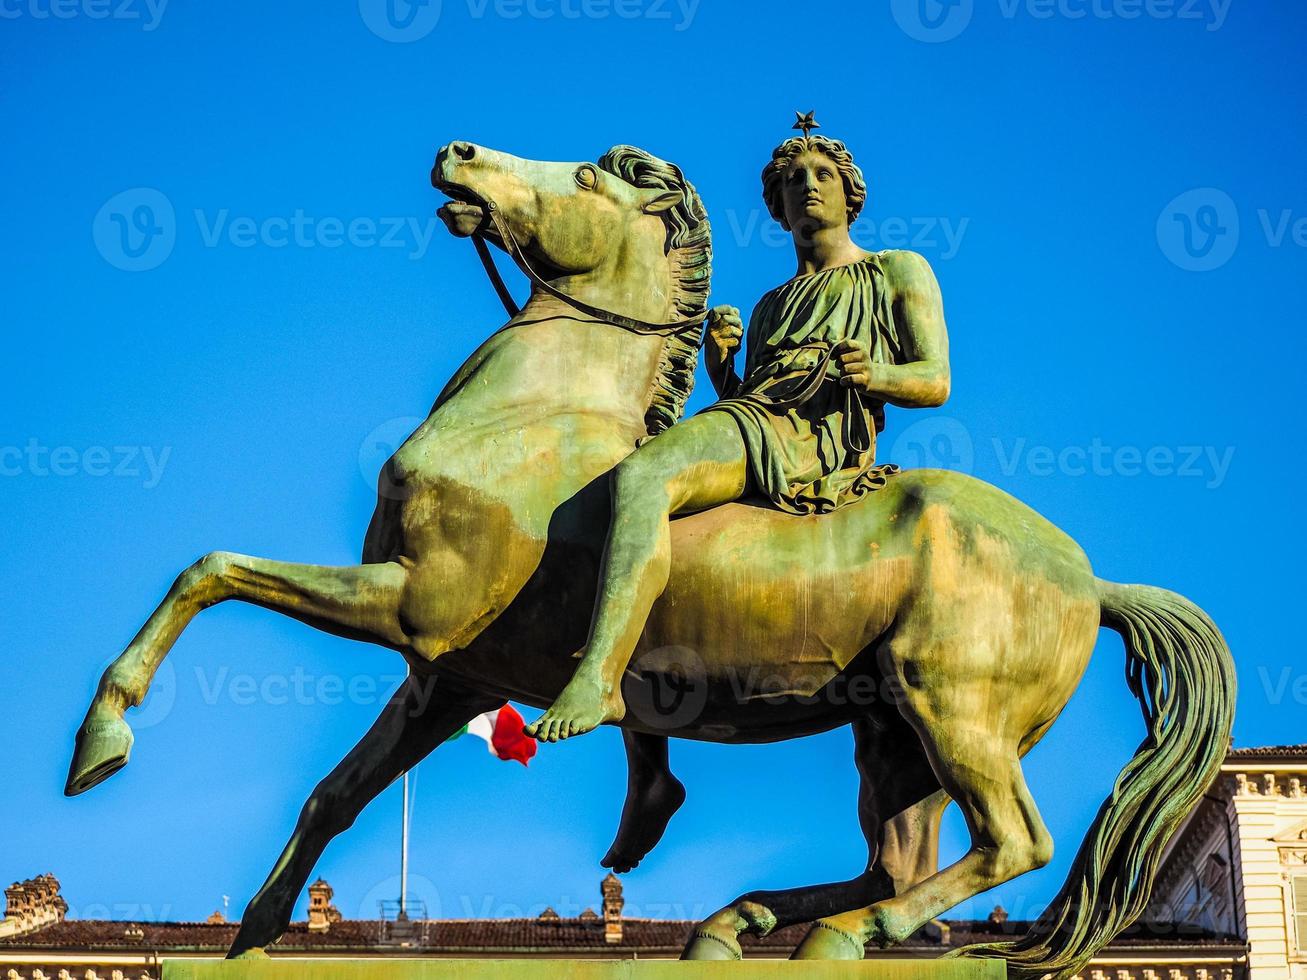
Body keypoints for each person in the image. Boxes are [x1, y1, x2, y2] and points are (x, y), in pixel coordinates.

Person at [525, 123, 951, 742]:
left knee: (645, 474)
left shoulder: (897, 270)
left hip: (816, 436)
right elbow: (748, 404)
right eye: (791, 181)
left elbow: (935, 380)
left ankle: (598, 677)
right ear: (776, 207)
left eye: (822, 176)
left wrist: (876, 373)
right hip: (760, 423)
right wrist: (723, 367)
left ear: (849, 193)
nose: (807, 186)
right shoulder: (770, 304)